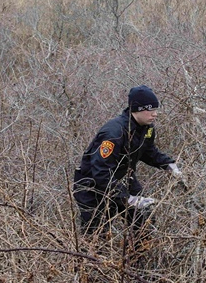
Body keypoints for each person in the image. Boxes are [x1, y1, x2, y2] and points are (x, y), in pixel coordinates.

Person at [73, 85, 182, 247]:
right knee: (95, 236)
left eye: (156, 109)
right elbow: (101, 171)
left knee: (144, 221)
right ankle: (90, 267)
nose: (155, 114)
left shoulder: (146, 128)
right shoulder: (114, 132)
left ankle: (136, 262)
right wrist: (127, 198)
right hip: (93, 187)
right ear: (136, 109)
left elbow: (148, 151)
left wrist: (169, 164)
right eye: (150, 109)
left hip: (123, 178)